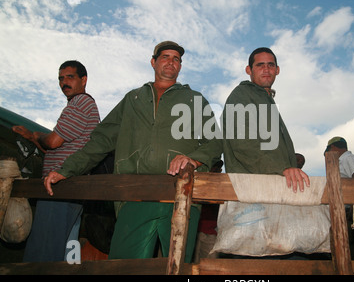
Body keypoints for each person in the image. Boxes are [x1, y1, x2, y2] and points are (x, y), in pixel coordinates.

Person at [44, 41, 222, 263]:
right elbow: (100, 139)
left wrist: (194, 159)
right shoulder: (133, 99)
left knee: (177, 268)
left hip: (181, 194)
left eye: (176, 59)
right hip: (135, 195)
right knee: (124, 266)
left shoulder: (194, 100)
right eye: (165, 57)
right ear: (153, 62)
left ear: (180, 66)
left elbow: (215, 141)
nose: (171, 62)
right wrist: (67, 169)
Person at [12, 60, 100, 262]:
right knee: (64, 252)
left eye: (70, 77)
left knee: (44, 252)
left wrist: (35, 135)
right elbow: (54, 146)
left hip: (59, 188)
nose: (64, 82)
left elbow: (52, 141)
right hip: (70, 189)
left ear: (84, 80)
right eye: (61, 78)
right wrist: (33, 138)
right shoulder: (78, 105)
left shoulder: (81, 102)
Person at [221, 47, 309, 191]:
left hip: (276, 186)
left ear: (277, 70)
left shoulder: (267, 101)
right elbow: (242, 143)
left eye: (270, 65)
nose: (266, 69)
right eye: (260, 65)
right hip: (250, 189)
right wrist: (281, 168)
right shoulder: (242, 94)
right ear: (249, 70)